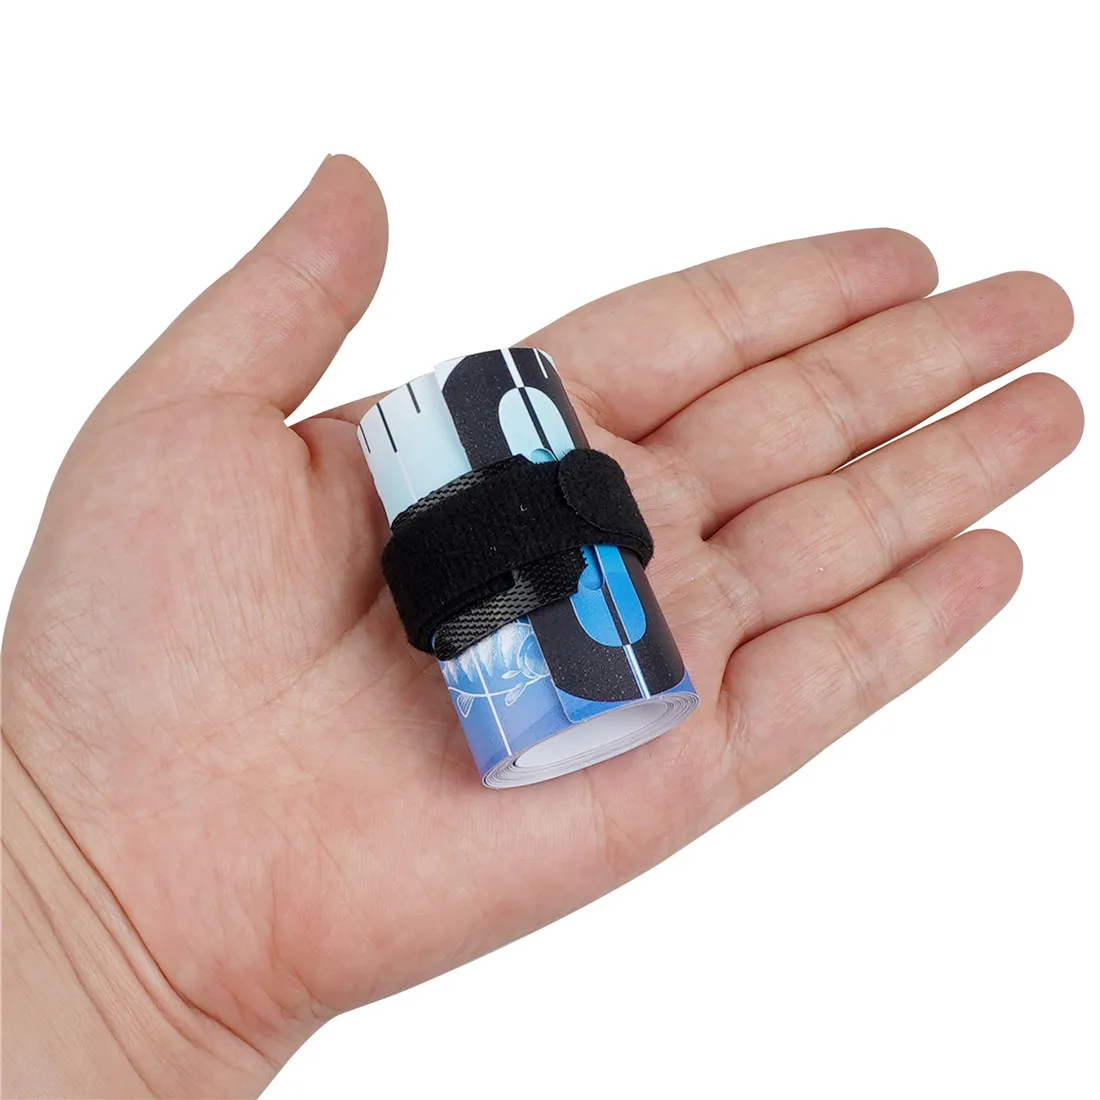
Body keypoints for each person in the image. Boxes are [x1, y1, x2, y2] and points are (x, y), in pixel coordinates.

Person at [1, 154, 1082, 1098]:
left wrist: (85, 946)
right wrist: (65, 889)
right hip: (526, 706)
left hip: (603, 679)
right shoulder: (431, 467)